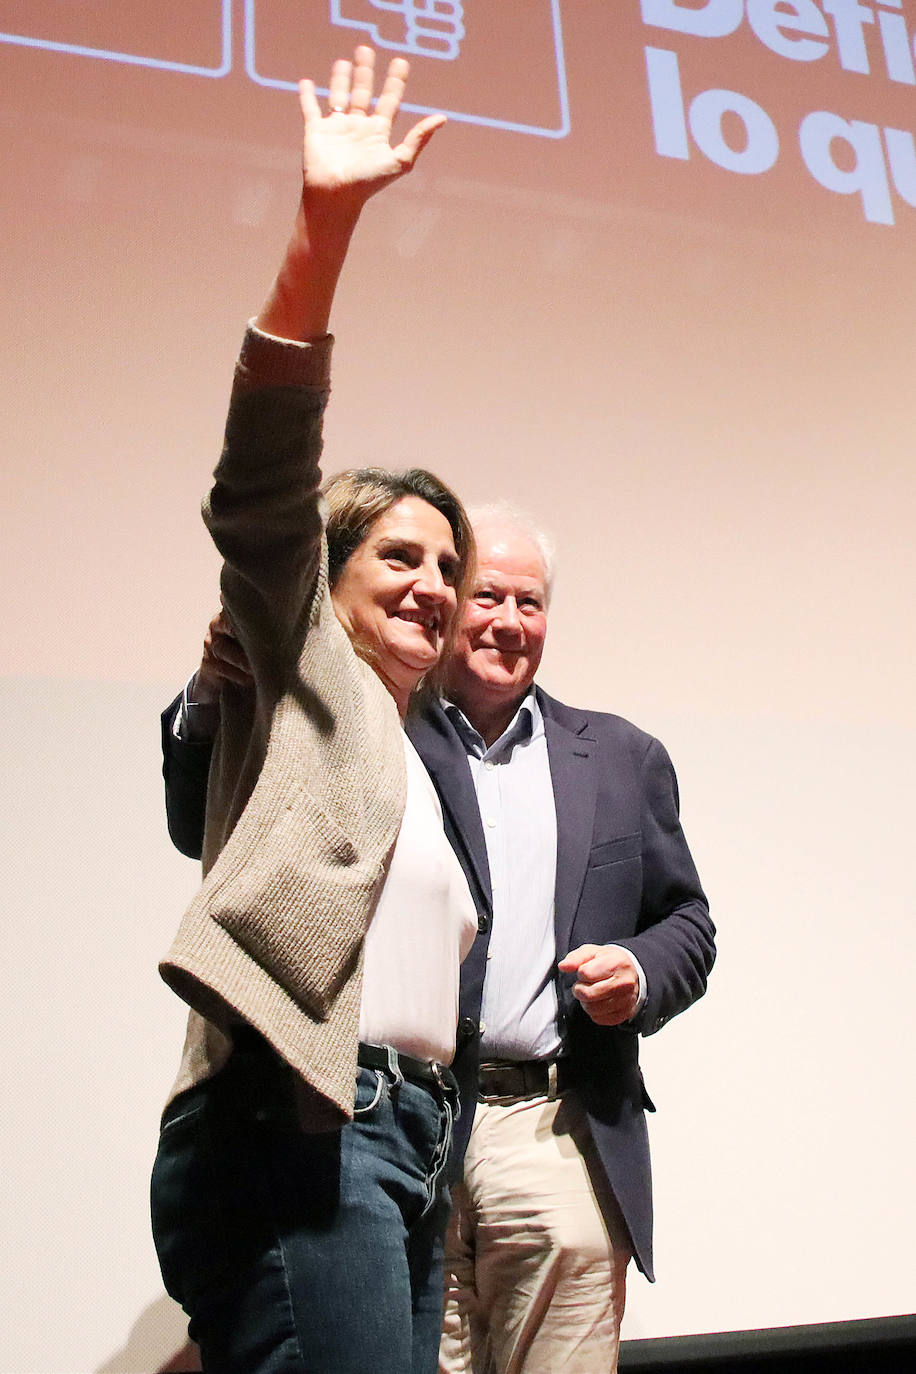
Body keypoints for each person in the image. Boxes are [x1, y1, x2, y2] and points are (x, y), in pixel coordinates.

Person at [163, 504, 716, 1374]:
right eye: (486, 594)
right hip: (410, 1120)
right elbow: (212, 805)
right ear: (451, 603)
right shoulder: (379, 722)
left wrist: (643, 971)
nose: (507, 620)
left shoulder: (618, 755)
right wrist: (212, 692)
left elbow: (689, 922)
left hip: (560, 1128)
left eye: (529, 603)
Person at [150, 47, 481, 1374]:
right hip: (307, 1124)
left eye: (449, 565)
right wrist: (324, 228)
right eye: (400, 554)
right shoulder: (299, 662)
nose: (436, 582)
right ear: (326, 575)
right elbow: (264, 476)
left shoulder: (415, 751)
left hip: (408, 1143)